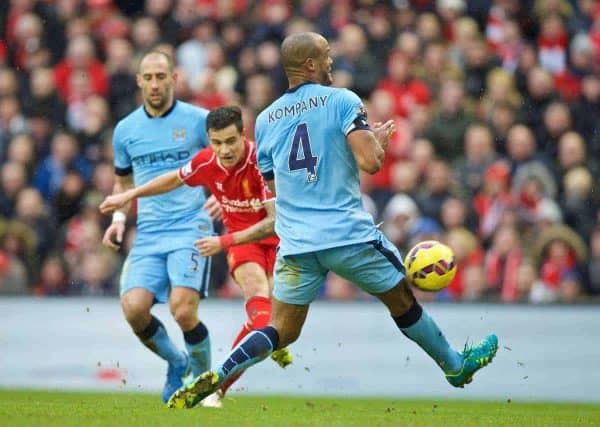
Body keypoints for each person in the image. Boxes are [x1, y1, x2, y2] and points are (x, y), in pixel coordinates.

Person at [167, 32, 499, 409]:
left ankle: (221, 373)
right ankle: (454, 366)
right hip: (346, 234)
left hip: (295, 244)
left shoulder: (265, 119)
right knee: (403, 298)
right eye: (326, 56)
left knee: (281, 329)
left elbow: (273, 183)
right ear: (310, 64)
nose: (331, 61)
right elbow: (370, 162)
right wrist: (376, 142)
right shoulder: (343, 100)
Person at [99, 106, 293, 407]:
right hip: (244, 244)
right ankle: (216, 388)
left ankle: (264, 344)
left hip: (278, 241)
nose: (224, 150)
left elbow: (275, 220)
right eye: (217, 142)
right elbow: (173, 179)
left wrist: (223, 240)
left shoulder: (261, 160)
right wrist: (129, 196)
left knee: (268, 322)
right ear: (209, 140)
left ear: (244, 135)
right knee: (260, 306)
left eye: (231, 141)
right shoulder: (207, 162)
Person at [100, 50, 217, 403]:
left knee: (182, 308)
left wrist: (223, 198)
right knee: (134, 308)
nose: (154, 83)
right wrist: (118, 220)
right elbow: (122, 183)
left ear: (173, 79)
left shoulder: (198, 121)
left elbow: (231, 160)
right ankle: (176, 361)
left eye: (160, 76)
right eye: (147, 77)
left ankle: (205, 387)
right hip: (150, 232)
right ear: (138, 81)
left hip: (191, 226)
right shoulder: (125, 130)